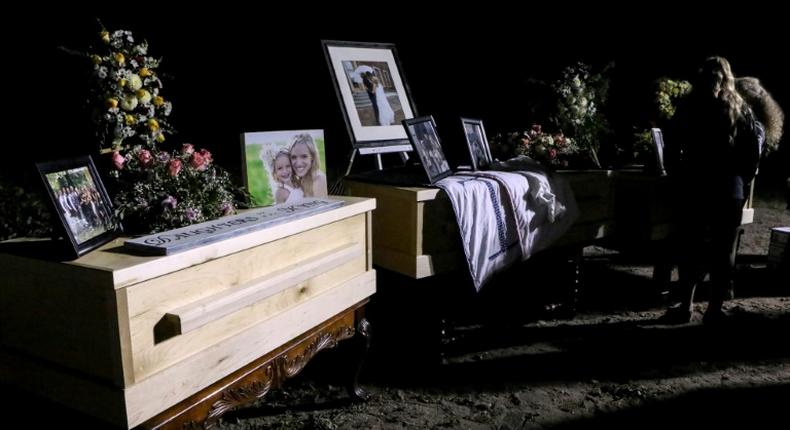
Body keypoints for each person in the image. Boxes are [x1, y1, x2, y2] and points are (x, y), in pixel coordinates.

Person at [660, 56, 763, 324]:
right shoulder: (740, 108)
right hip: (729, 188)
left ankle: (685, 305)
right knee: (722, 251)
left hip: (694, 185)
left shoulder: (689, 106)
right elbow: (753, 151)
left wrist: (676, 173)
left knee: (690, 248)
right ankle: (714, 309)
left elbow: (671, 146)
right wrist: (743, 177)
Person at [289, 133, 328, 198]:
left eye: (304, 156)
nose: (298, 163)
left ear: (312, 157)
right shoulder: (300, 179)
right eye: (293, 157)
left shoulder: (318, 179)